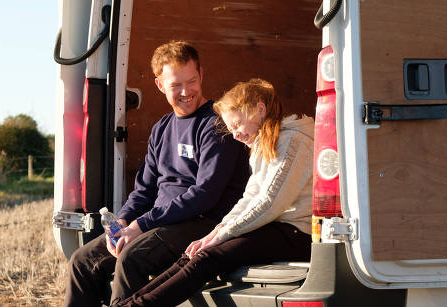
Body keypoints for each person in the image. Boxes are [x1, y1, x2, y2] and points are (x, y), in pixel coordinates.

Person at [63, 41, 251, 307]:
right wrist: (122, 223)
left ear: (202, 75)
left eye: (192, 81)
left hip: (203, 221)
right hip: (161, 223)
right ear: (160, 85)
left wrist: (141, 225)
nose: (186, 91)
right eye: (176, 85)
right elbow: (144, 189)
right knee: (82, 262)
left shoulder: (217, 124)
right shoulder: (162, 128)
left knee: (132, 257)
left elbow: (204, 194)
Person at [113, 78, 315, 307]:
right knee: (194, 253)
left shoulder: (292, 142)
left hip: (297, 233)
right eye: (231, 129)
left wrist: (222, 235)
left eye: (237, 125)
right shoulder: (265, 145)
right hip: (276, 227)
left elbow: (268, 204)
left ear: (260, 109)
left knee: (209, 257)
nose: (235, 135)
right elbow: (249, 198)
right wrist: (215, 232)